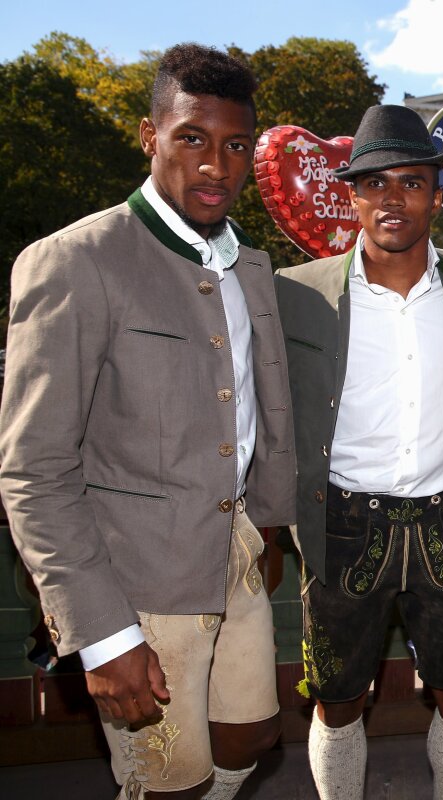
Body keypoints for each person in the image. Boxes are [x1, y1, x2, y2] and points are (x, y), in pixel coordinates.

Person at [0, 44, 296, 799]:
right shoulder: (74, 261)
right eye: (191, 138)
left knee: (252, 738)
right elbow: (34, 471)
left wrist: (265, 523)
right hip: (136, 583)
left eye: (235, 146)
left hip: (233, 562)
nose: (216, 166)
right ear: (149, 135)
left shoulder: (250, 266)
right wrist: (102, 633)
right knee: (171, 783)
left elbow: (252, 409)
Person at [274, 104, 443, 800]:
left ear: (437, 194)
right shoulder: (299, 292)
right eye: (374, 183)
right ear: (351, 196)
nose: (392, 198)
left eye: (410, 183)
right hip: (344, 525)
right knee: (337, 698)